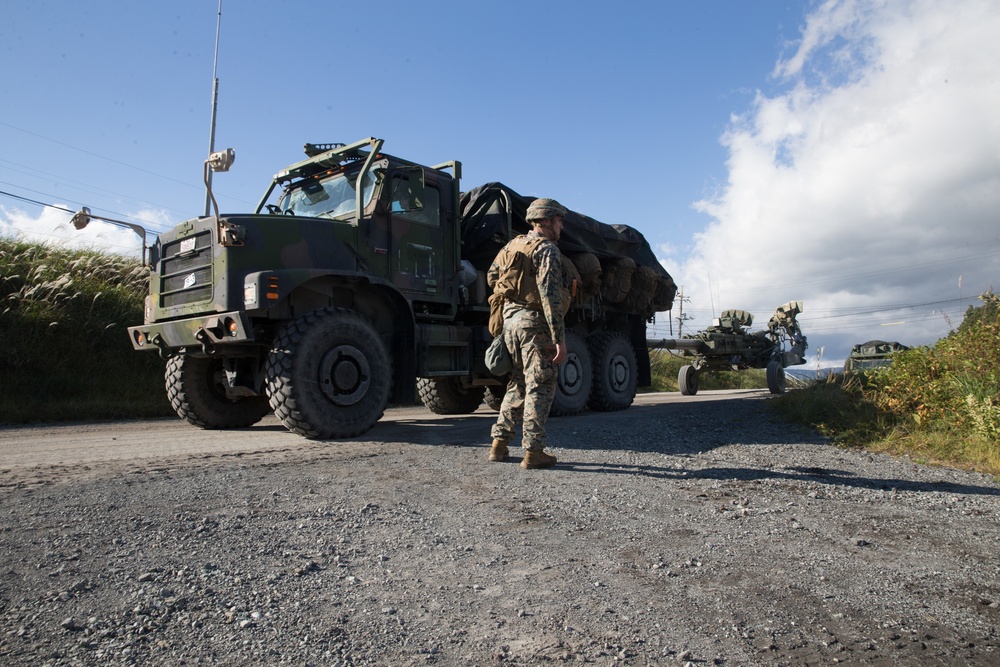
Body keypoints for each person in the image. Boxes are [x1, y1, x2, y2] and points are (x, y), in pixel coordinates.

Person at [486, 198, 568, 469]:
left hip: (510, 323)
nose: (561, 227)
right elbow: (550, 295)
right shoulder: (547, 250)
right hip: (534, 326)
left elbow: (491, 277)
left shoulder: (512, 245)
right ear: (545, 221)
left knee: (519, 382)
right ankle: (533, 452)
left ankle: (499, 444)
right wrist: (559, 339)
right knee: (540, 384)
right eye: (558, 221)